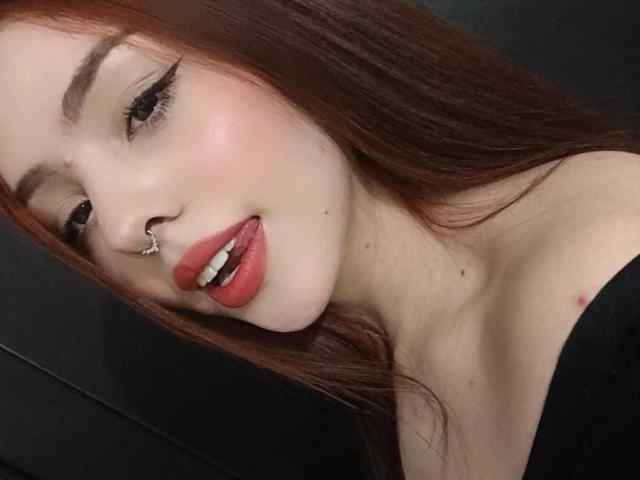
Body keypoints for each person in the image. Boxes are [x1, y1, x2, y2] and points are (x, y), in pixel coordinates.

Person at [1, 2, 639, 479]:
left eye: (143, 106)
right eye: (77, 215)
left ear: (274, 28)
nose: (120, 228)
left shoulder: (613, 286)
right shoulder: (398, 390)